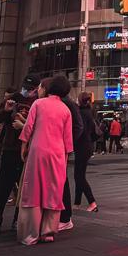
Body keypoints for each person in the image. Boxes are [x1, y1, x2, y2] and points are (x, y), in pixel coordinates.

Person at [16, 75, 74, 246]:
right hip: (57, 153)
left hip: (38, 151)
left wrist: (24, 147)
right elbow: (67, 140)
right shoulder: (65, 110)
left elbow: (28, 128)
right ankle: (48, 232)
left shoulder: (38, 104)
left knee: (33, 190)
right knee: (53, 191)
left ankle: (30, 234)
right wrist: (65, 159)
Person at [0, 85, 31, 232]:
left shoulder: (37, 102)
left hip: (25, 150)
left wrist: (23, 125)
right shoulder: (12, 99)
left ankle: (17, 220)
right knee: (3, 187)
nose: (30, 91)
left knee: (23, 188)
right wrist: (7, 110)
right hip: (10, 149)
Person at [56, 86, 86, 232]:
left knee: (64, 180)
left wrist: (66, 143)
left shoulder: (67, 104)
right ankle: (62, 215)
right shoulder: (60, 103)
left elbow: (79, 126)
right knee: (62, 180)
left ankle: (65, 217)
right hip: (59, 149)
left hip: (62, 149)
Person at [73, 93, 101, 212]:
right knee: (79, 175)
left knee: (78, 176)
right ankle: (77, 203)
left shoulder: (81, 113)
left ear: (79, 100)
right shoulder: (89, 112)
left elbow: (80, 130)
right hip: (87, 146)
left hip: (82, 146)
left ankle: (92, 202)